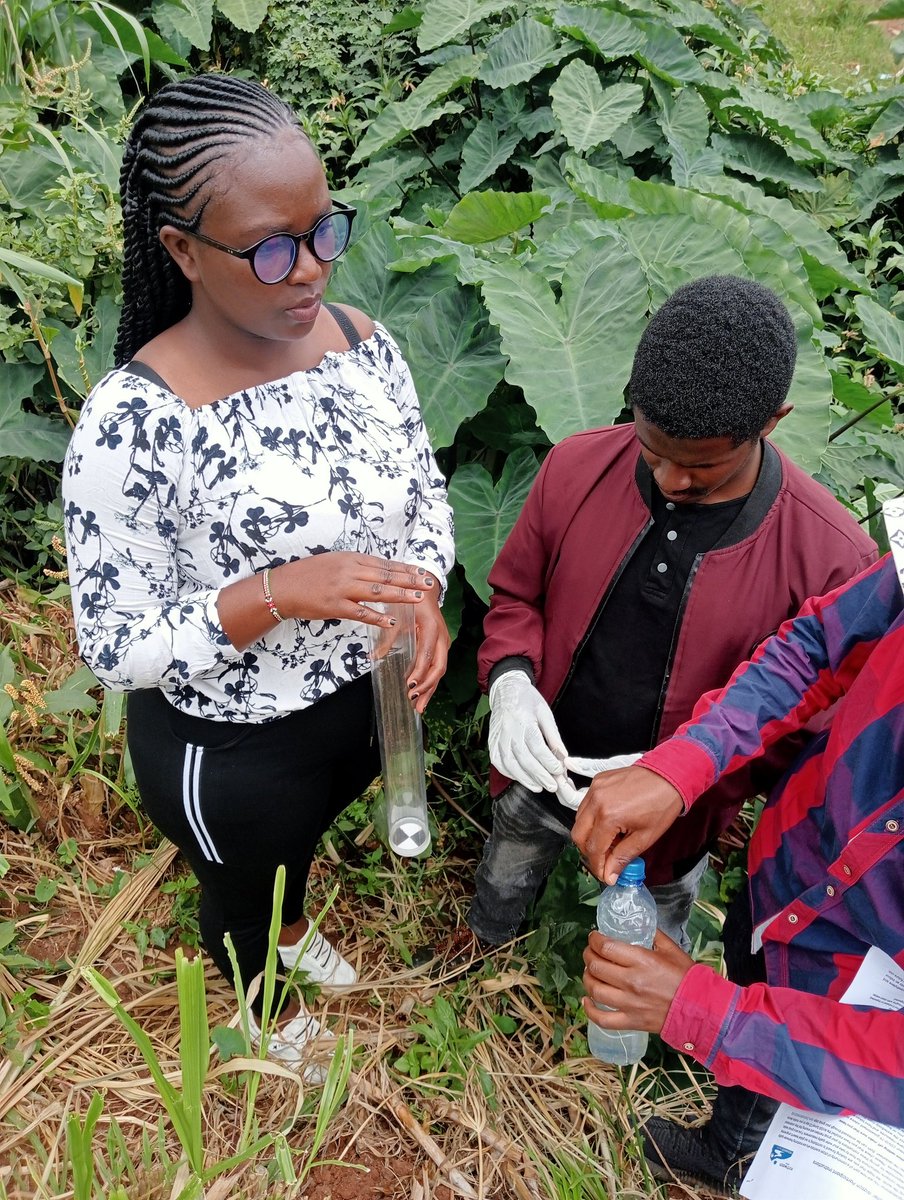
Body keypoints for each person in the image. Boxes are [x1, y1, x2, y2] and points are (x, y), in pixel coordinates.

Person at [62, 74, 455, 1076]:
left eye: (324, 231)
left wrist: (426, 591)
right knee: (242, 887)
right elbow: (116, 647)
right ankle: (264, 1008)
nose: (310, 272)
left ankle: (287, 932)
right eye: (272, 249)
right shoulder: (135, 422)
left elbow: (424, 501)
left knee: (298, 855)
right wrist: (275, 592)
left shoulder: (365, 348)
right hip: (229, 748)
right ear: (182, 251)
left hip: (361, 703)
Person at [466, 275, 876, 956]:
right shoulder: (574, 468)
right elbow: (517, 597)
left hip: (672, 823)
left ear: (771, 421)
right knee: (507, 871)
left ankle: (634, 1024)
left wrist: (691, 775)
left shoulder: (832, 561)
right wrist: (510, 680)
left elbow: (810, 734)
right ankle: (485, 943)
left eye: (700, 468)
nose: (669, 481)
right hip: (543, 771)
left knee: (649, 936)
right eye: (652, 451)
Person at [576, 537, 904, 1190]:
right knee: (749, 973)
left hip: (861, 986)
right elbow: (819, 646)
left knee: (791, 1086)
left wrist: (714, 1019)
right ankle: (726, 1147)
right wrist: (683, 764)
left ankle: (739, 1154)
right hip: (785, 865)